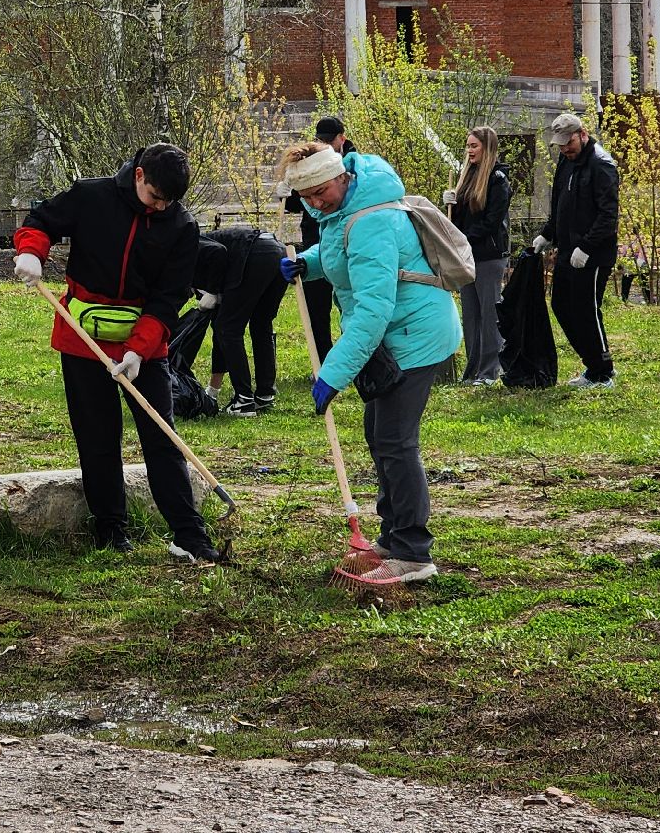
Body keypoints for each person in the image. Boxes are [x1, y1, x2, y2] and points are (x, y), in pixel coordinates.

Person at [13, 144, 223, 563]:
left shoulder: (181, 225)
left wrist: (138, 351)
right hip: (82, 339)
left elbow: (168, 298)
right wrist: (31, 253)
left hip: (145, 344)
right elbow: (41, 220)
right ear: (140, 175)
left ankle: (188, 533)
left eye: (169, 201)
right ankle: (110, 528)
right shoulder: (91, 196)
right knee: (98, 437)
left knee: (162, 436)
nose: (160, 206)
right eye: (155, 196)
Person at [276, 141, 462, 583]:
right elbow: (345, 255)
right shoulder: (347, 210)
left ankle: (415, 553)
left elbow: (371, 312)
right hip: (393, 335)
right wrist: (309, 262)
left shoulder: (372, 220)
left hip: (413, 335)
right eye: (308, 197)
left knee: (396, 442)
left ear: (341, 176)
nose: (317, 202)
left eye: (322, 191)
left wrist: (331, 375)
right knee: (379, 436)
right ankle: (392, 535)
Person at [533, 112, 619, 387]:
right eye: (559, 144)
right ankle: (591, 365)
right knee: (561, 304)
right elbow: (560, 202)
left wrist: (586, 247)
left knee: (586, 310)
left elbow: (608, 215)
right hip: (567, 251)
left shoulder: (601, 164)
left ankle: (603, 370)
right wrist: (547, 234)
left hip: (593, 255)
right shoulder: (565, 161)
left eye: (568, 143)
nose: (564, 149)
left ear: (582, 134)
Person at [191, 226, 288, 416]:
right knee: (261, 325)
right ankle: (265, 394)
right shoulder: (204, 267)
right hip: (278, 252)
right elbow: (220, 338)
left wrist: (211, 291)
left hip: (254, 253)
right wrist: (213, 390)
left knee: (228, 329)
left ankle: (244, 400)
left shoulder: (186, 250)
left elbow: (218, 252)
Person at [282, 116, 357, 362]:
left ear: (342, 139)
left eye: (329, 140)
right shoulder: (312, 167)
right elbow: (299, 201)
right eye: (320, 140)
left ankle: (349, 361)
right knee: (316, 305)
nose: (317, 203)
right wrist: (288, 195)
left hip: (347, 244)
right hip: (317, 240)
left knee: (352, 303)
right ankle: (322, 358)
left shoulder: (354, 172)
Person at [443, 127, 511, 384]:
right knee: (470, 315)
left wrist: (463, 238)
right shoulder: (467, 176)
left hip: (489, 255)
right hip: (467, 255)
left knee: (489, 314)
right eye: (468, 146)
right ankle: (473, 371)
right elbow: (458, 219)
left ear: (487, 148)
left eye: (474, 146)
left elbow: (492, 221)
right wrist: (451, 203)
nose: (469, 151)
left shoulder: (498, 180)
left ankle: (491, 370)